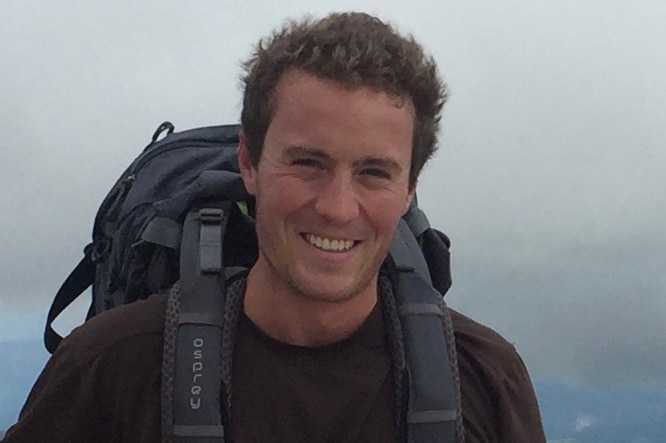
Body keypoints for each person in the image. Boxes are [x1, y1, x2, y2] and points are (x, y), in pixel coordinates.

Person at [3, 12, 546, 443]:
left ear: (410, 189)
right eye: (308, 162)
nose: (337, 208)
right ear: (249, 162)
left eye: (373, 172)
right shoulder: (111, 369)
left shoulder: (482, 381)